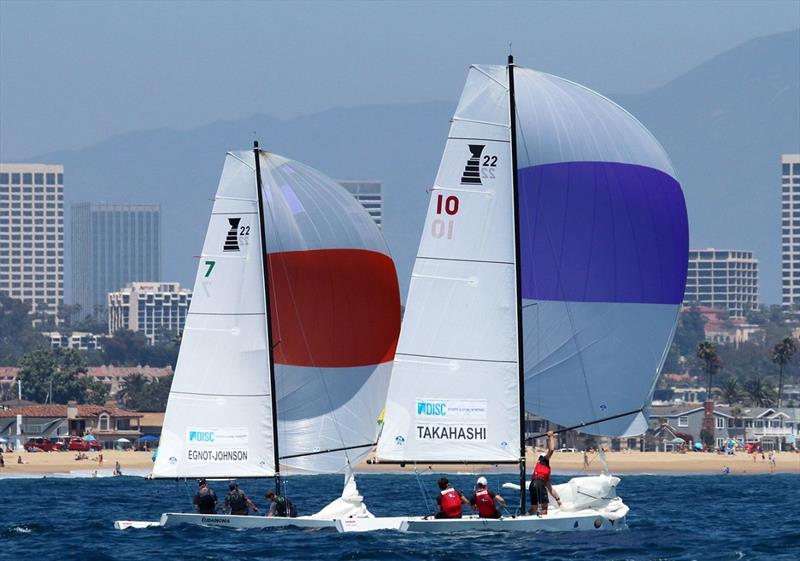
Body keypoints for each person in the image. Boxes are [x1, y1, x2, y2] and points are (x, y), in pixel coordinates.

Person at [529, 430, 562, 516]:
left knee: (534, 507)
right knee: (544, 507)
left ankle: (529, 516)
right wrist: (551, 437)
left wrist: (558, 499)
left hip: (532, 484)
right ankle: (542, 521)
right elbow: (551, 450)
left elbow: (550, 489)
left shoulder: (543, 469)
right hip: (539, 483)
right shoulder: (543, 460)